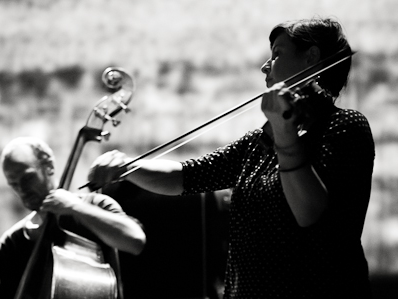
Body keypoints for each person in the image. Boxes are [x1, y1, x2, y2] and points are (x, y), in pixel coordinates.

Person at [87, 17, 375, 298]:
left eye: (277, 55)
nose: (265, 66)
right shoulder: (261, 141)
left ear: (311, 57)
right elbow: (185, 176)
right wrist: (127, 167)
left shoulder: (344, 127)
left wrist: (285, 136)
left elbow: (309, 213)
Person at [0, 136, 146, 299]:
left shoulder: (94, 205)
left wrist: (75, 207)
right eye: (13, 184)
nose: (22, 189)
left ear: (48, 166)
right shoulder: (12, 241)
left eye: (27, 178)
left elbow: (135, 240)